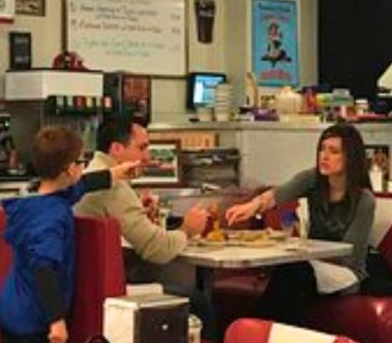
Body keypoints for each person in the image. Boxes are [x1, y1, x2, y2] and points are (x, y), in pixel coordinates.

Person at [0, 126, 138, 343]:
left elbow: (81, 186)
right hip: (32, 320)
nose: (83, 167)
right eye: (81, 162)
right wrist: (57, 320)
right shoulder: (51, 216)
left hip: (13, 307)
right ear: (71, 169)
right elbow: (43, 268)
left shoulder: (38, 202)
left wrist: (115, 173)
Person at [224, 122, 375, 326]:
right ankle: (260, 329)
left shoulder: (364, 200)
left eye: (334, 151)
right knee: (292, 272)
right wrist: (253, 206)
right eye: (322, 149)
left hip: (347, 274)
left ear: (350, 157)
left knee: (295, 271)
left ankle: (257, 328)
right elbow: (278, 194)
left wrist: (304, 252)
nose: (324, 156)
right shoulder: (313, 179)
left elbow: (349, 254)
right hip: (312, 263)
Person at [75, 114, 214, 331]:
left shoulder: (91, 175)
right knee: (199, 302)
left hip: (86, 289)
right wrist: (188, 229)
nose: (148, 157)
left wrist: (140, 213)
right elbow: (157, 250)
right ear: (117, 149)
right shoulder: (114, 187)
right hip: (113, 294)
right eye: (142, 148)